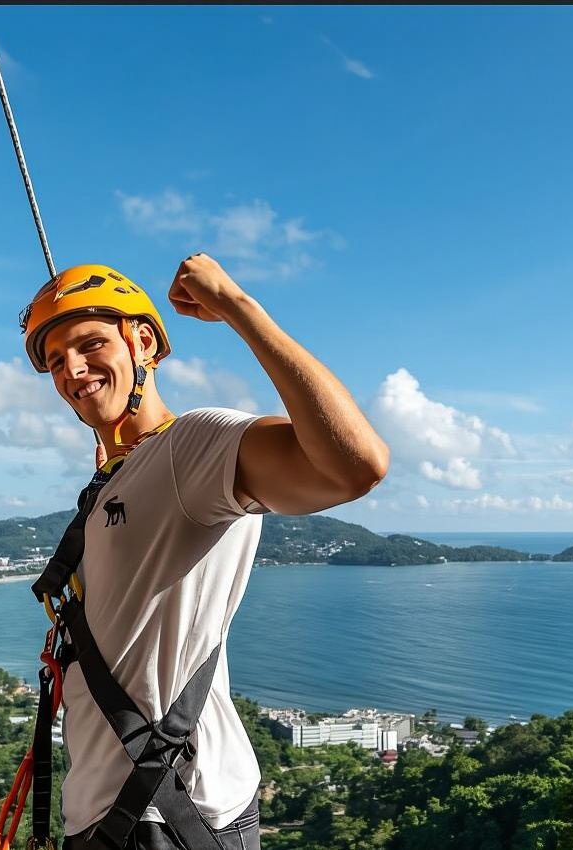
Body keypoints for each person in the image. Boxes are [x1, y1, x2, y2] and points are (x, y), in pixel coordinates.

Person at [19, 255, 389, 850]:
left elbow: (355, 466)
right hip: (106, 811)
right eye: (57, 361)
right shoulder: (119, 477)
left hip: (172, 813)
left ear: (143, 341)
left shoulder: (192, 444)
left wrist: (239, 309)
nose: (73, 371)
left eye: (90, 345)